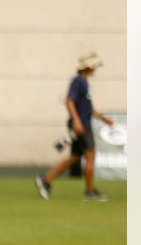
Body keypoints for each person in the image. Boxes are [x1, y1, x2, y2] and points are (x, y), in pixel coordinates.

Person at [35, 53, 117, 202]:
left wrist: (104, 119)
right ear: (88, 67)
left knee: (75, 157)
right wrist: (77, 121)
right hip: (82, 126)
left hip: (83, 124)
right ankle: (90, 191)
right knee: (90, 156)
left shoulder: (84, 83)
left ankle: (45, 179)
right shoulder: (78, 82)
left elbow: (88, 107)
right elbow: (69, 101)